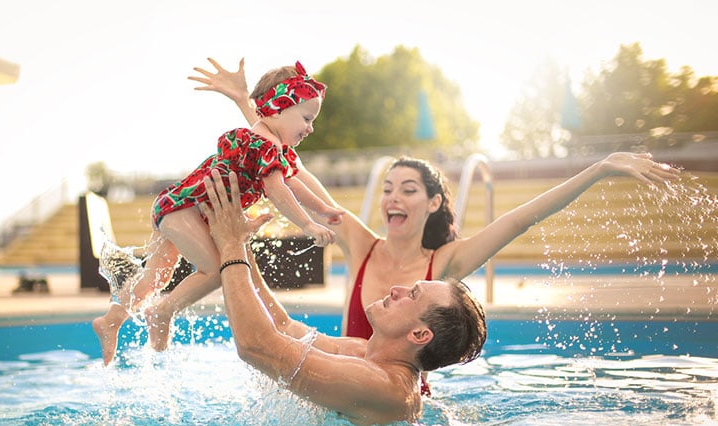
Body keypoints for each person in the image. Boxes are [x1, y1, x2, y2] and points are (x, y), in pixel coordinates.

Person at [189, 57, 681, 395]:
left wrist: (597, 170)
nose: (391, 198)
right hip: (346, 372)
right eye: (387, 188)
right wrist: (247, 107)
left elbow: (520, 218)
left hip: (368, 392)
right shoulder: (361, 245)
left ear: (433, 203)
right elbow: (290, 168)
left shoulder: (442, 268)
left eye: (406, 189)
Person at [93, 61, 344, 365]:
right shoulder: (262, 144)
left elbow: (293, 183)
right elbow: (279, 192)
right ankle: (162, 312)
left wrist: (324, 209)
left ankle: (111, 320)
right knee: (216, 271)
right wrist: (307, 224)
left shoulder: (272, 147)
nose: (310, 127)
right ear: (277, 109)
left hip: (177, 207)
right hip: (185, 209)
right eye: (306, 117)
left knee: (156, 277)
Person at [195, 170, 486, 426]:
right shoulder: (363, 352)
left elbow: (256, 347)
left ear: (420, 334)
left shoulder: (382, 386)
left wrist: (230, 245)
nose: (398, 289)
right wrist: (239, 240)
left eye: (412, 294)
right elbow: (282, 328)